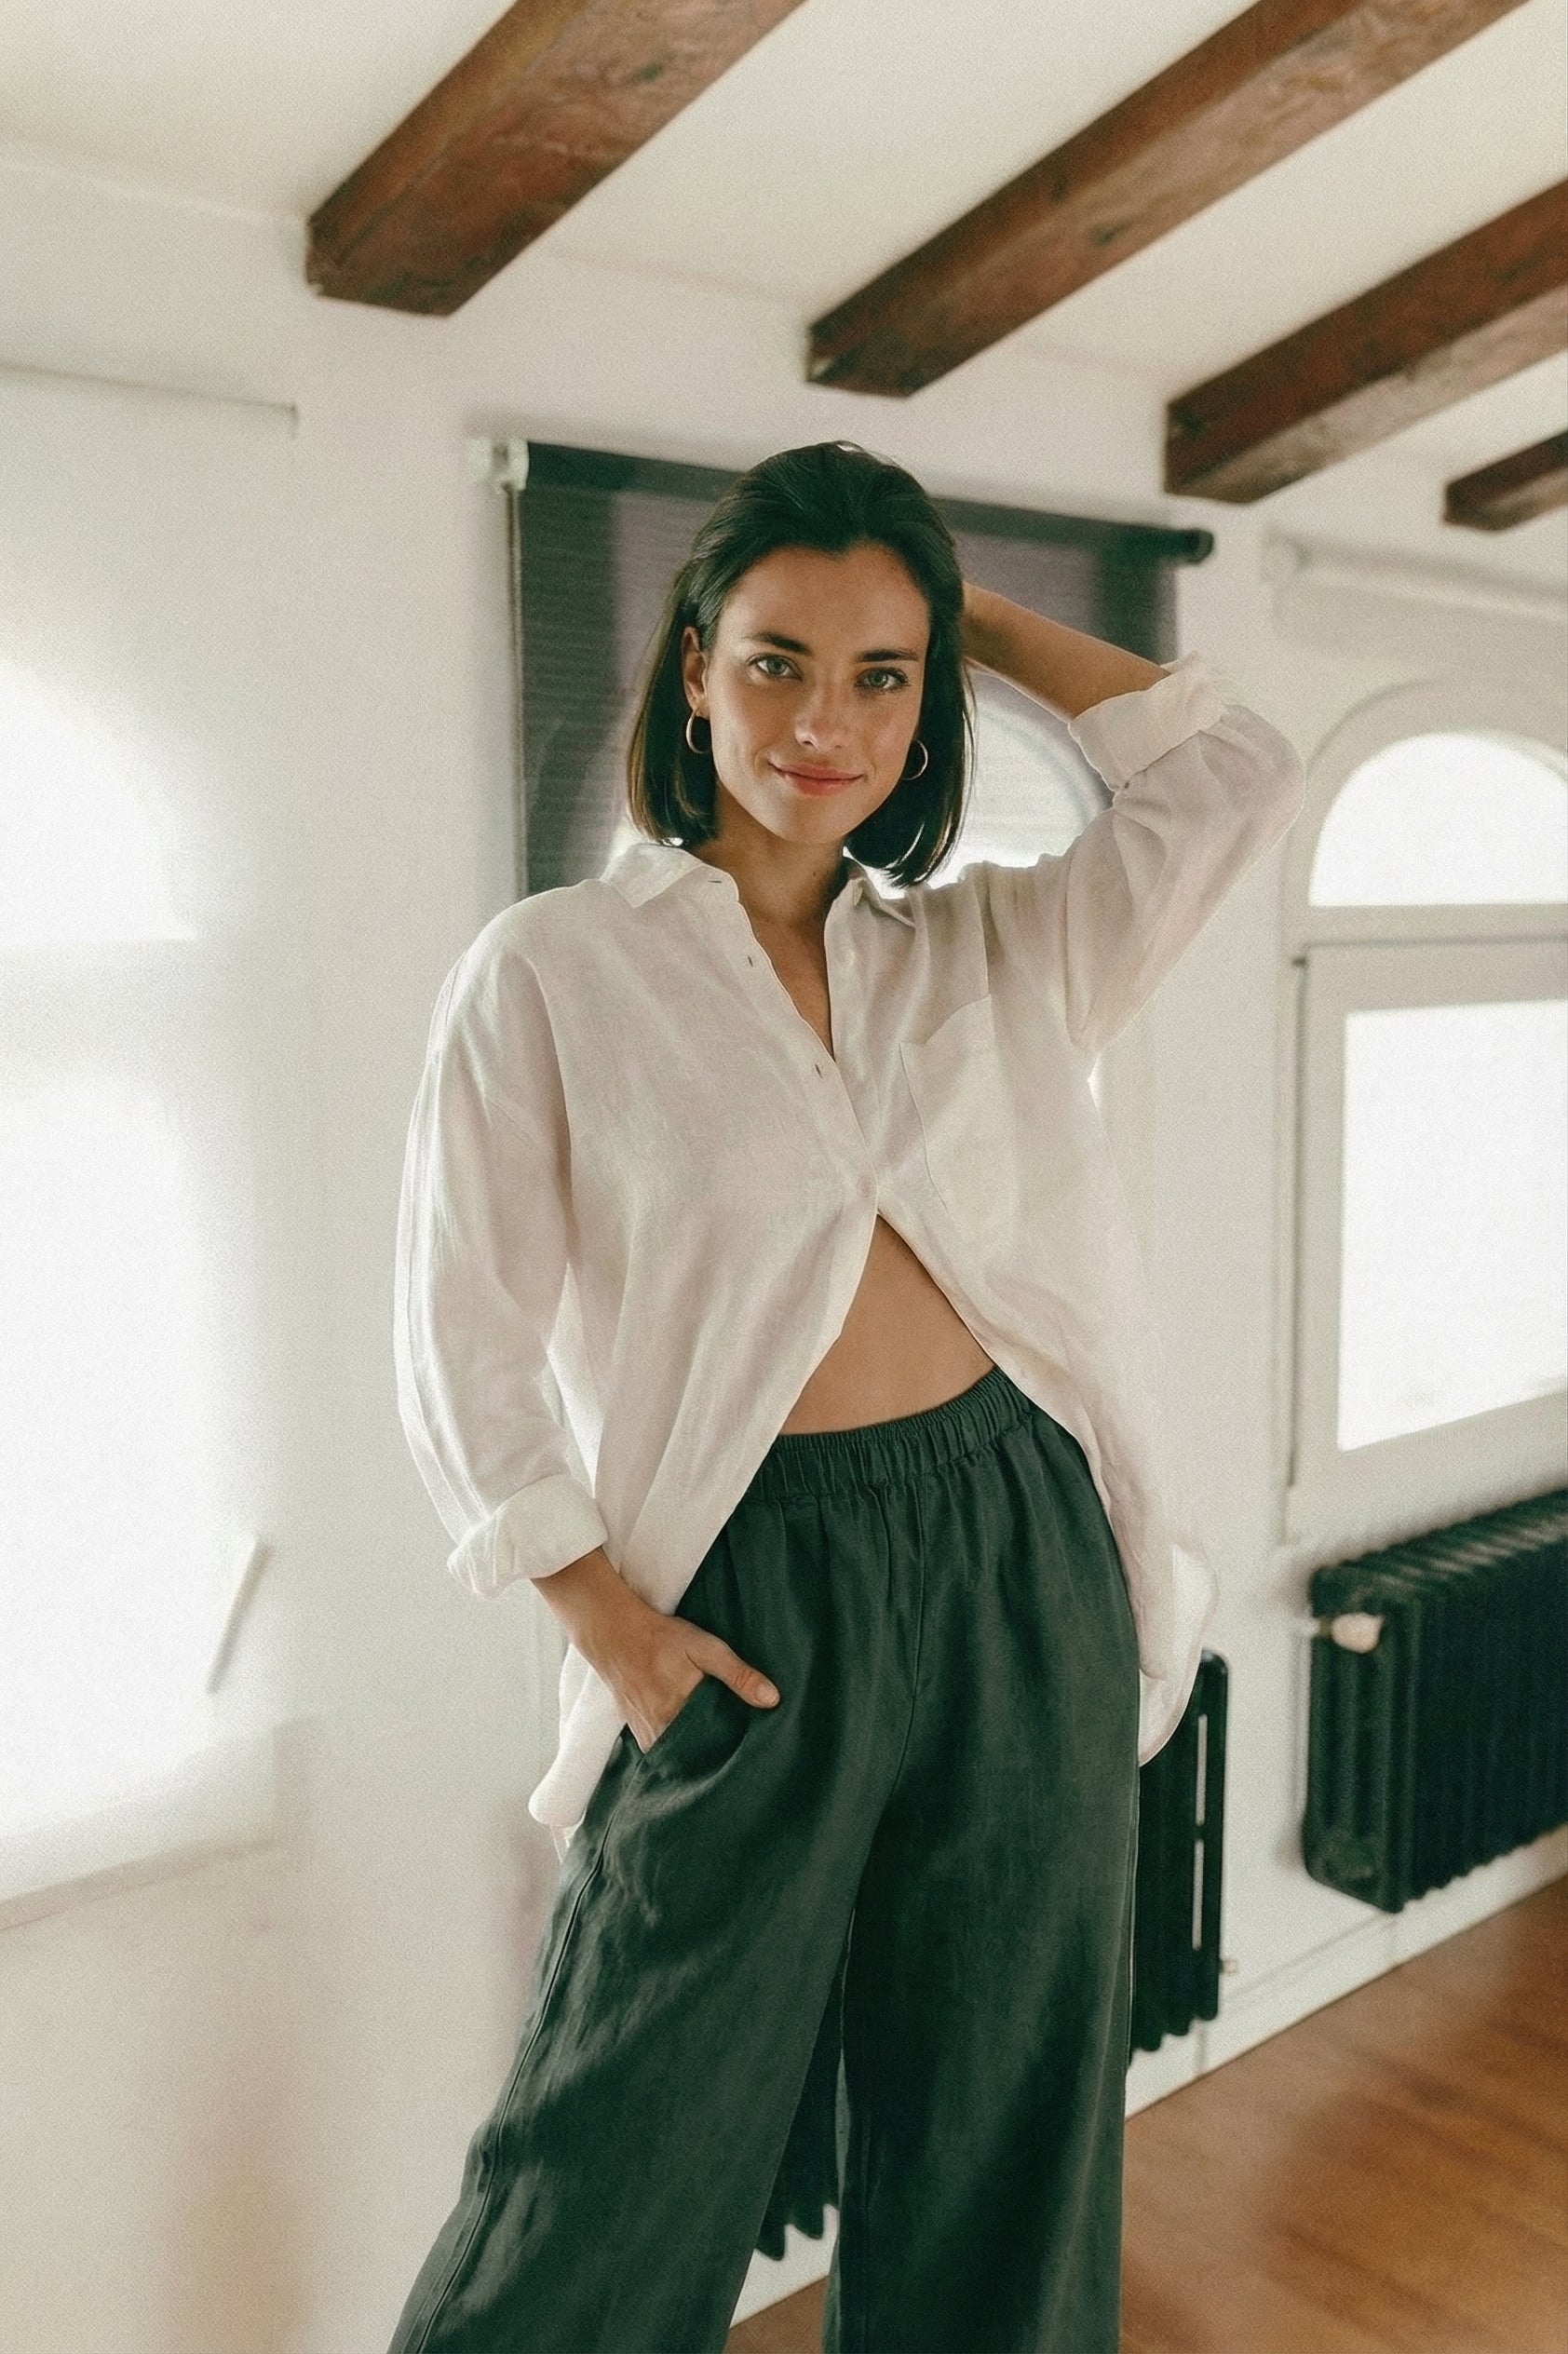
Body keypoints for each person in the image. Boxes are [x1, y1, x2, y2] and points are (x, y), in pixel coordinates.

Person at [387, 440, 1306, 2353]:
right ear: (694, 669)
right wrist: (605, 1621)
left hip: (1019, 1554)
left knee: (1002, 2139)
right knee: (611, 2155)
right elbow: (459, 1331)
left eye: (882, 676)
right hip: (744, 1590)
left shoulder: (991, 947)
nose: (826, 722)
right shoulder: (552, 971)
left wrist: (963, 616)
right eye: (779, 662)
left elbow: (1229, 774)